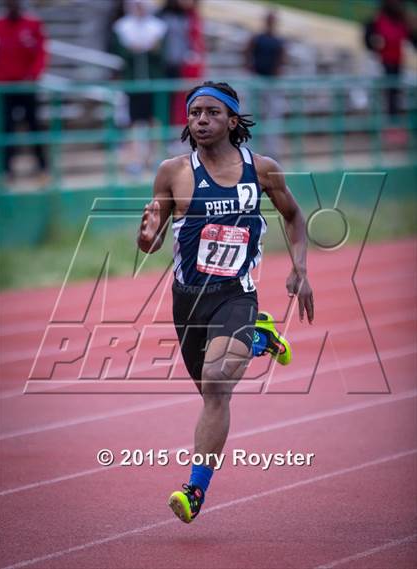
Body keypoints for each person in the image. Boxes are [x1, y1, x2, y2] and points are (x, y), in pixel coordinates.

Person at [137, 81, 314, 523]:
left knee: (217, 385)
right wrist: (145, 236)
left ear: (233, 120)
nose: (201, 120)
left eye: (212, 112)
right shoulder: (173, 172)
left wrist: (300, 269)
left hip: (237, 293)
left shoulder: (263, 169)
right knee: (210, 391)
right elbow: (151, 245)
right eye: (194, 113)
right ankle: (258, 338)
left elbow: (293, 216)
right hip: (188, 300)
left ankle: (194, 491)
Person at [110, 0, 167, 172]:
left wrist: (149, 48)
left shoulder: (158, 27)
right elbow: (119, 53)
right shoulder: (122, 27)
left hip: (153, 82)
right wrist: (134, 49)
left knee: (154, 120)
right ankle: (134, 160)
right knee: (133, 121)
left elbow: (162, 53)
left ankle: (154, 157)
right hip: (132, 82)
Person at [0, 0, 47, 182]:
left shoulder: (32, 25)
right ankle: (6, 171)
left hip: (27, 87)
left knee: (34, 127)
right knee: (6, 129)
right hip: (4, 90)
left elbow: (41, 52)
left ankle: (43, 168)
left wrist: (33, 76)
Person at [364, 0, 417, 118]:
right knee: (384, 92)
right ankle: (384, 120)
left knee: (394, 92)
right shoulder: (377, 21)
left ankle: (393, 119)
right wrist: (373, 43)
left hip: (396, 62)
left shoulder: (403, 22)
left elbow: (413, 40)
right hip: (380, 62)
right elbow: (369, 40)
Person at [245, 10, 286, 157]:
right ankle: (248, 146)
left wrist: (277, 71)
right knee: (251, 114)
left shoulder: (278, 40)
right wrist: (250, 68)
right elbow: (247, 52)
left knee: (272, 116)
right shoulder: (258, 38)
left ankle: (271, 149)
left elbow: (282, 58)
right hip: (257, 79)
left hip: (271, 82)